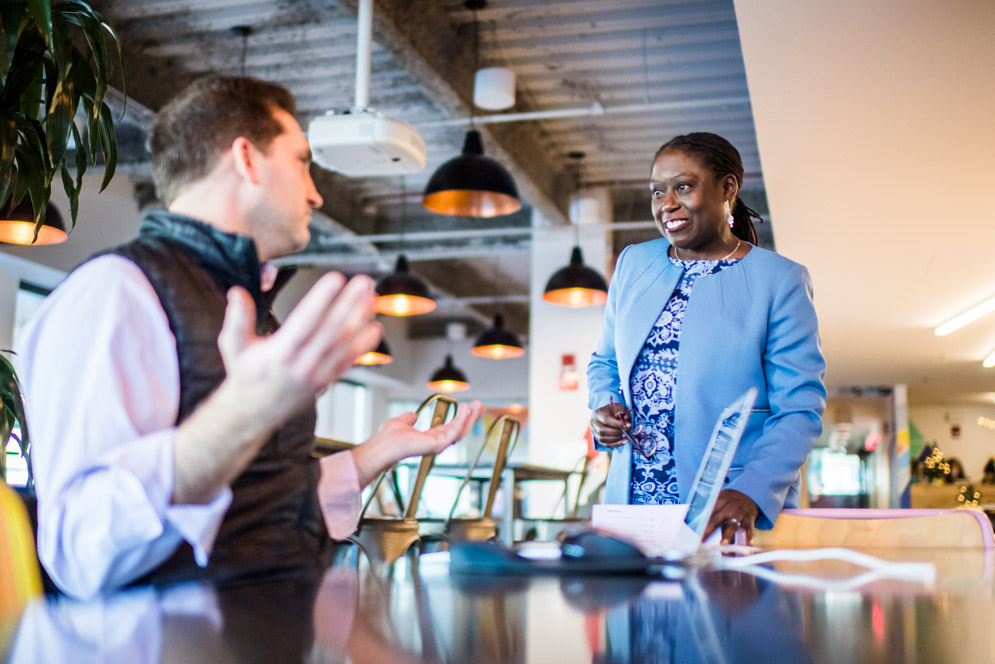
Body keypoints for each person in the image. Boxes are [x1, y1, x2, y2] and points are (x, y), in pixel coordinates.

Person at [19, 76, 485, 599]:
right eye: (302, 162)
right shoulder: (112, 293)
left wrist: (378, 452)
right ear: (245, 158)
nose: (316, 193)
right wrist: (244, 412)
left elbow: (262, 499)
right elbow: (82, 553)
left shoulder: (248, 309)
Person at [587, 132, 826, 546]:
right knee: (633, 610)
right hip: (633, 501)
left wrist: (751, 491)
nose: (667, 204)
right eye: (657, 191)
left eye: (684, 186)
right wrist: (604, 408)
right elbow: (604, 361)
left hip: (725, 505)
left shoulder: (780, 281)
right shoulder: (633, 264)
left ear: (727, 188)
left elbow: (799, 409)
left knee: (721, 610)